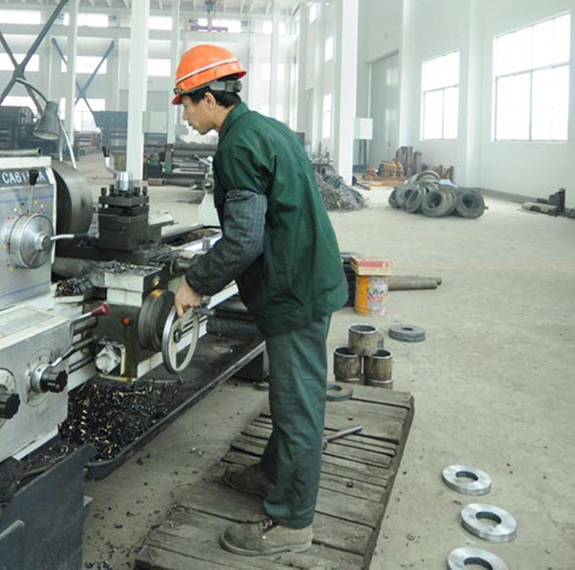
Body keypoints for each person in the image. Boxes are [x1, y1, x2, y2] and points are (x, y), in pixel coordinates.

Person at [171, 44, 348, 556]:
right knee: (292, 393)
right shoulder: (266, 128)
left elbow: (245, 241)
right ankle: (273, 472)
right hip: (307, 274)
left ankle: (292, 521)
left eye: (186, 104)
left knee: (297, 403)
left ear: (209, 99)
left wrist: (195, 282)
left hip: (294, 290)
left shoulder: (236, 147)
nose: (185, 116)